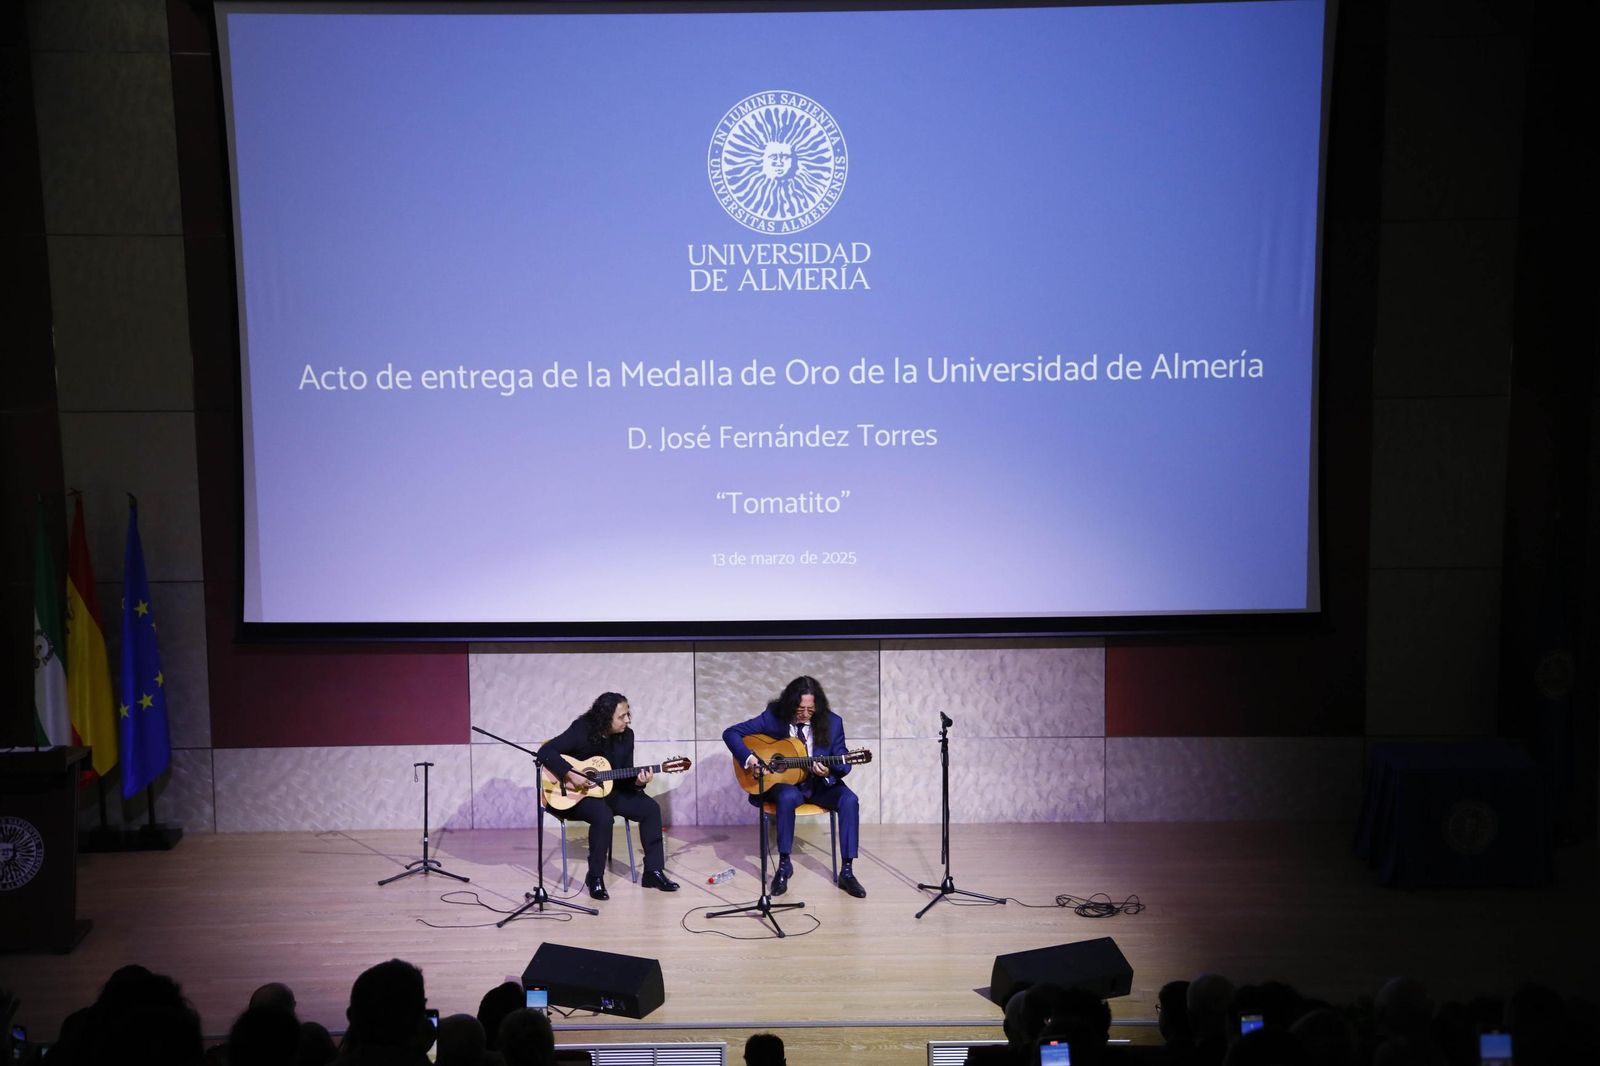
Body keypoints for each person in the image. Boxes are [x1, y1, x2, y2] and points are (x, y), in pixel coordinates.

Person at [723, 675, 865, 897]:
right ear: (790, 703)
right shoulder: (773, 718)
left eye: (811, 709)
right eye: (800, 709)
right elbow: (730, 733)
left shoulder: (833, 722)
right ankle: (784, 865)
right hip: (787, 786)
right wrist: (751, 760)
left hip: (820, 785)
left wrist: (829, 770)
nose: (806, 713)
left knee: (850, 800)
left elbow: (843, 762)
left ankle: (847, 871)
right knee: (787, 797)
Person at [538, 691, 678, 899]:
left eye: (628, 714)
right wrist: (570, 774)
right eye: (622, 716)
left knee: (650, 809)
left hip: (609, 791)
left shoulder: (626, 736)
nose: (628, 720)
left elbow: (625, 777)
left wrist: (638, 783)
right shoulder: (582, 729)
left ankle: (653, 872)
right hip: (574, 796)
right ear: (605, 717)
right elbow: (546, 752)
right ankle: (595, 877)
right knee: (603, 816)